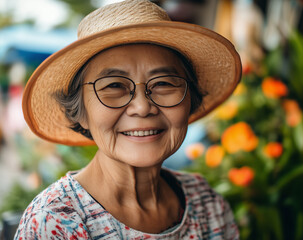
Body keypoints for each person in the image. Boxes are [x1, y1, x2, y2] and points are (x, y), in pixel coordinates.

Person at [15, 0, 242, 239]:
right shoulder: (54, 223)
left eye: (163, 83)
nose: (143, 107)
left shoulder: (207, 203)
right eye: (114, 86)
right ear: (80, 112)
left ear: (189, 100)